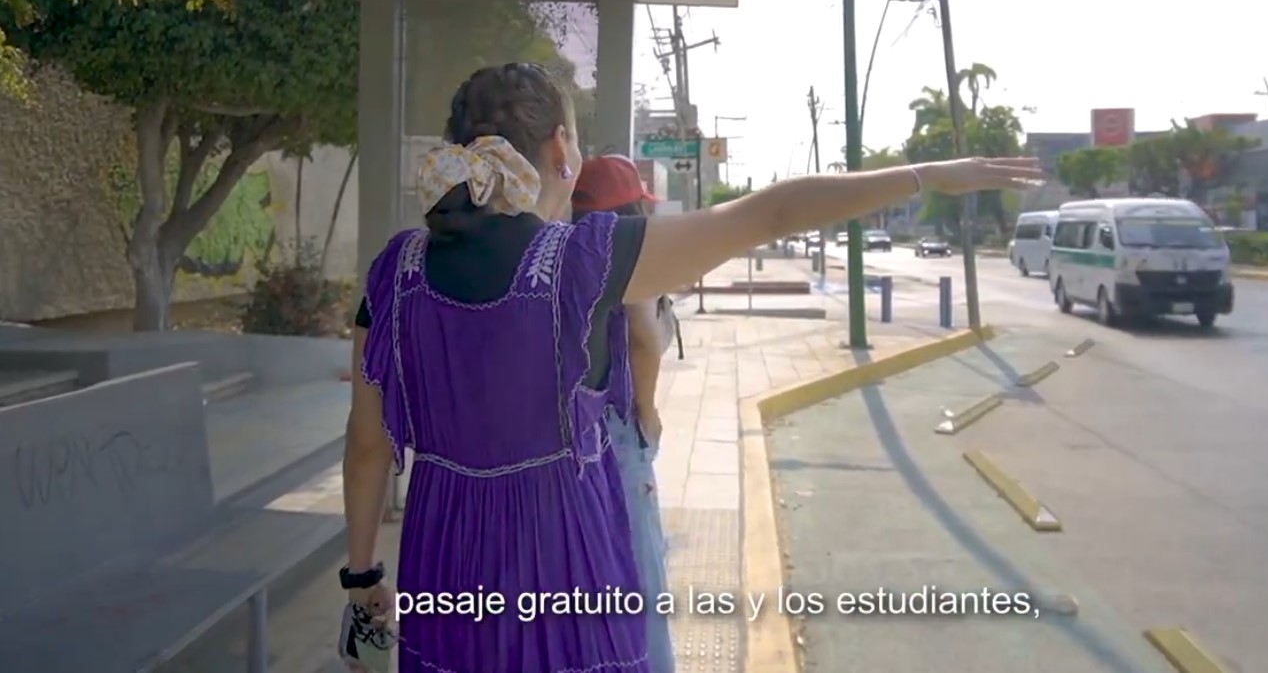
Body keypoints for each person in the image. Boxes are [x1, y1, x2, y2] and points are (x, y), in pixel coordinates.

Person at [341, 61, 1043, 673]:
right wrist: (924, 175)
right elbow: (771, 213)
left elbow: (368, 445)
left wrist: (363, 574)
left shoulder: (396, 270)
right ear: (559, 150)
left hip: (441, 555)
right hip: (560, 560)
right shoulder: (583, 260)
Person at [570, 153, 674, 673]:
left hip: (577, 430)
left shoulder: (565, 253)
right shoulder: (628, 253)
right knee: (642, 579)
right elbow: (643, 337)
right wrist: (646, 413)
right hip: (618, 428)